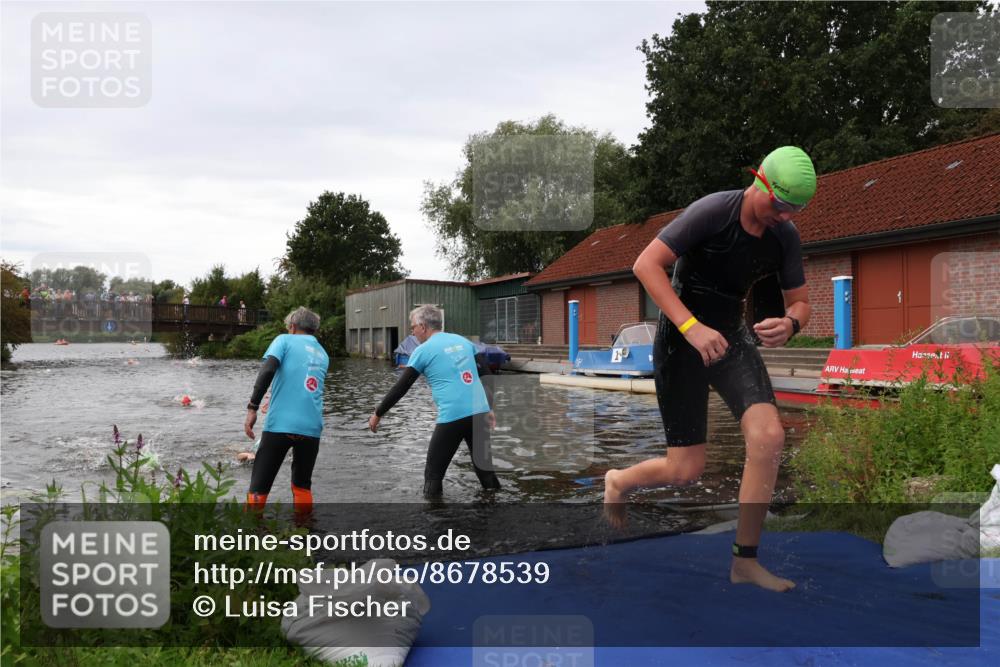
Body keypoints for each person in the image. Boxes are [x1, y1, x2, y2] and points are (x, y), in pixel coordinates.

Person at [604, 146, 816, 593]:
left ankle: (745, 561)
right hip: (682, 339)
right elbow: (646, 264)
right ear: (760, 181)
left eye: (794, 210)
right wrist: (691, 326)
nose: (784, 216)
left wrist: (792, 322)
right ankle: (618, 481)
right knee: (686, 470)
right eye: (781, 205)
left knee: (769, 436)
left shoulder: (784, 237)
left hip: (730, 338)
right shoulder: (714, 211)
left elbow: (802, 301)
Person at [369, 304, 501, 499]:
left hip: (452, 417)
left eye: (413, 327)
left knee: (433, 476)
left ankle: (435, 520)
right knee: (486, 471)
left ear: (423, 326)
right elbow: (486, 374)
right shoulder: (463, 342)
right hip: (479, 413)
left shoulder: (423, 350)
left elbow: (401, 387)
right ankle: (495, 511)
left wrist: (378, 413)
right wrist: (489, 408)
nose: (412, 332)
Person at [244, 307, 329, 514]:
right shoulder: (323, 353)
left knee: (259, 486)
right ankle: (304, 534)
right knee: (301, 486)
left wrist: (253, 407)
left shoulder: (283, 340)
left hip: (280, 426)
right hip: (311, 428)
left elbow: (268, 370)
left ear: (292, 327)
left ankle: (249, 534)